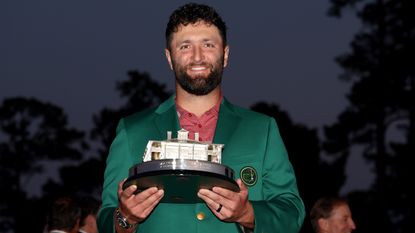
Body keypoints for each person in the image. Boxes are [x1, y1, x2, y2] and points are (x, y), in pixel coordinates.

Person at [97, 2, 305, 233]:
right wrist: (125, 218)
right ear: (169, 57)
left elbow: (292, 212)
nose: (197, 57)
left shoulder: (262, 128)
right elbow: (106, 216)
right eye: (185, 46)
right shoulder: (131, 130)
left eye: (208, 44)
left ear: (225, 54)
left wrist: (248, 214)